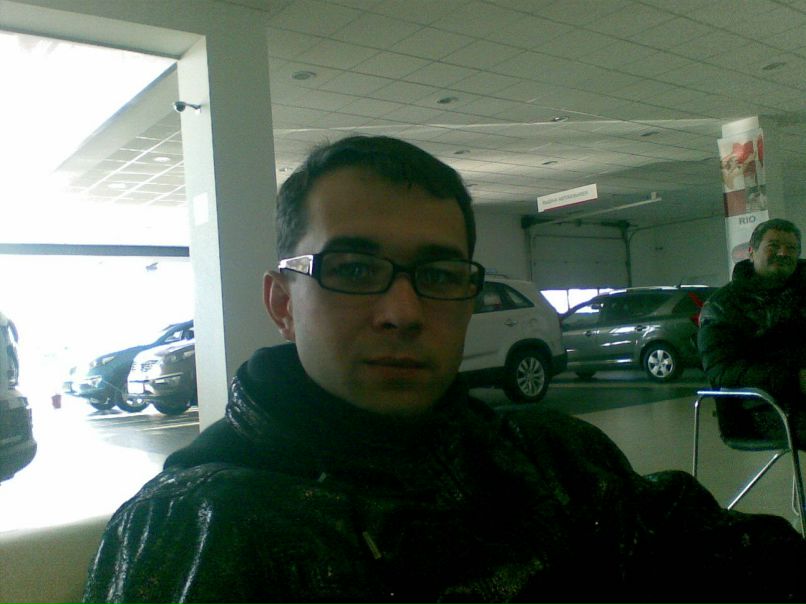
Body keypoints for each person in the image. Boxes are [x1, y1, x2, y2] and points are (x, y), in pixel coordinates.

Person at [83, 137, 805, 603]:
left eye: (438, 274)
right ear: (282, 303)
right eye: (354, 268)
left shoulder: (556, 459)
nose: (402, 311)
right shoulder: (200, 524)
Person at [698, 218, 806, 440]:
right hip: (763, 408)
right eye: (773, 246)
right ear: (751, 252)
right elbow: (721, 371)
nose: (783, 253)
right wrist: (795, 379)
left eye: (791, 248)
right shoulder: (722, 306)